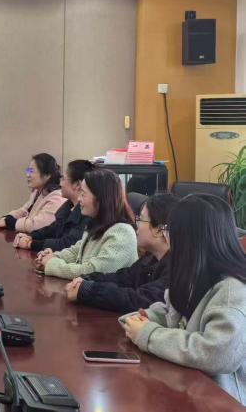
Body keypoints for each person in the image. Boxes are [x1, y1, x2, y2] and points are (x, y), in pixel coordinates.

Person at [120, 194, 246, 405]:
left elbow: (215, 353)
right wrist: (147, 318)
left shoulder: (233, 290)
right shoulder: (195, 276)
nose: (167, 238)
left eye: (171, 231)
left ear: (190, 239)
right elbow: (172, 312)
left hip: (222, 401)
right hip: (188, 388)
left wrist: (149, 334)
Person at [65, 194, 178, 312]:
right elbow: (123, 278)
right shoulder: (151, 258)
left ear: (159, 230)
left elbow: (137, 300)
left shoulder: (176, 269)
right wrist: (87, 280)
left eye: (140, 219)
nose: (136, 226)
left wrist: (87, 290)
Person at [35, 168, 137, 280]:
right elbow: (77, 251)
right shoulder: (97, 224)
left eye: (83, 194)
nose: (79, 199)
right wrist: (54, 256)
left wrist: (52, 264)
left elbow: (92, 271)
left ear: (100, 198)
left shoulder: (122, 233)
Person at [13, 159, 94, 252]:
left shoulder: (87, 212)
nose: (60, 183)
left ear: (77, 185)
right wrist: (31, 237)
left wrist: (31, 244)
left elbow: (68, 244)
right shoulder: (68, 206)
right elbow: (52, 229)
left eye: (63, 179)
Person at [0, 153, 65, 233]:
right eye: (28, 170)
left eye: (31, 171)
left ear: (47, 175)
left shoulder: (57, 198)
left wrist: (9, 222)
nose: (27, 175)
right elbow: (24, 210)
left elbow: (37, 225)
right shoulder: (37, 192)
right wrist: (7, 218)